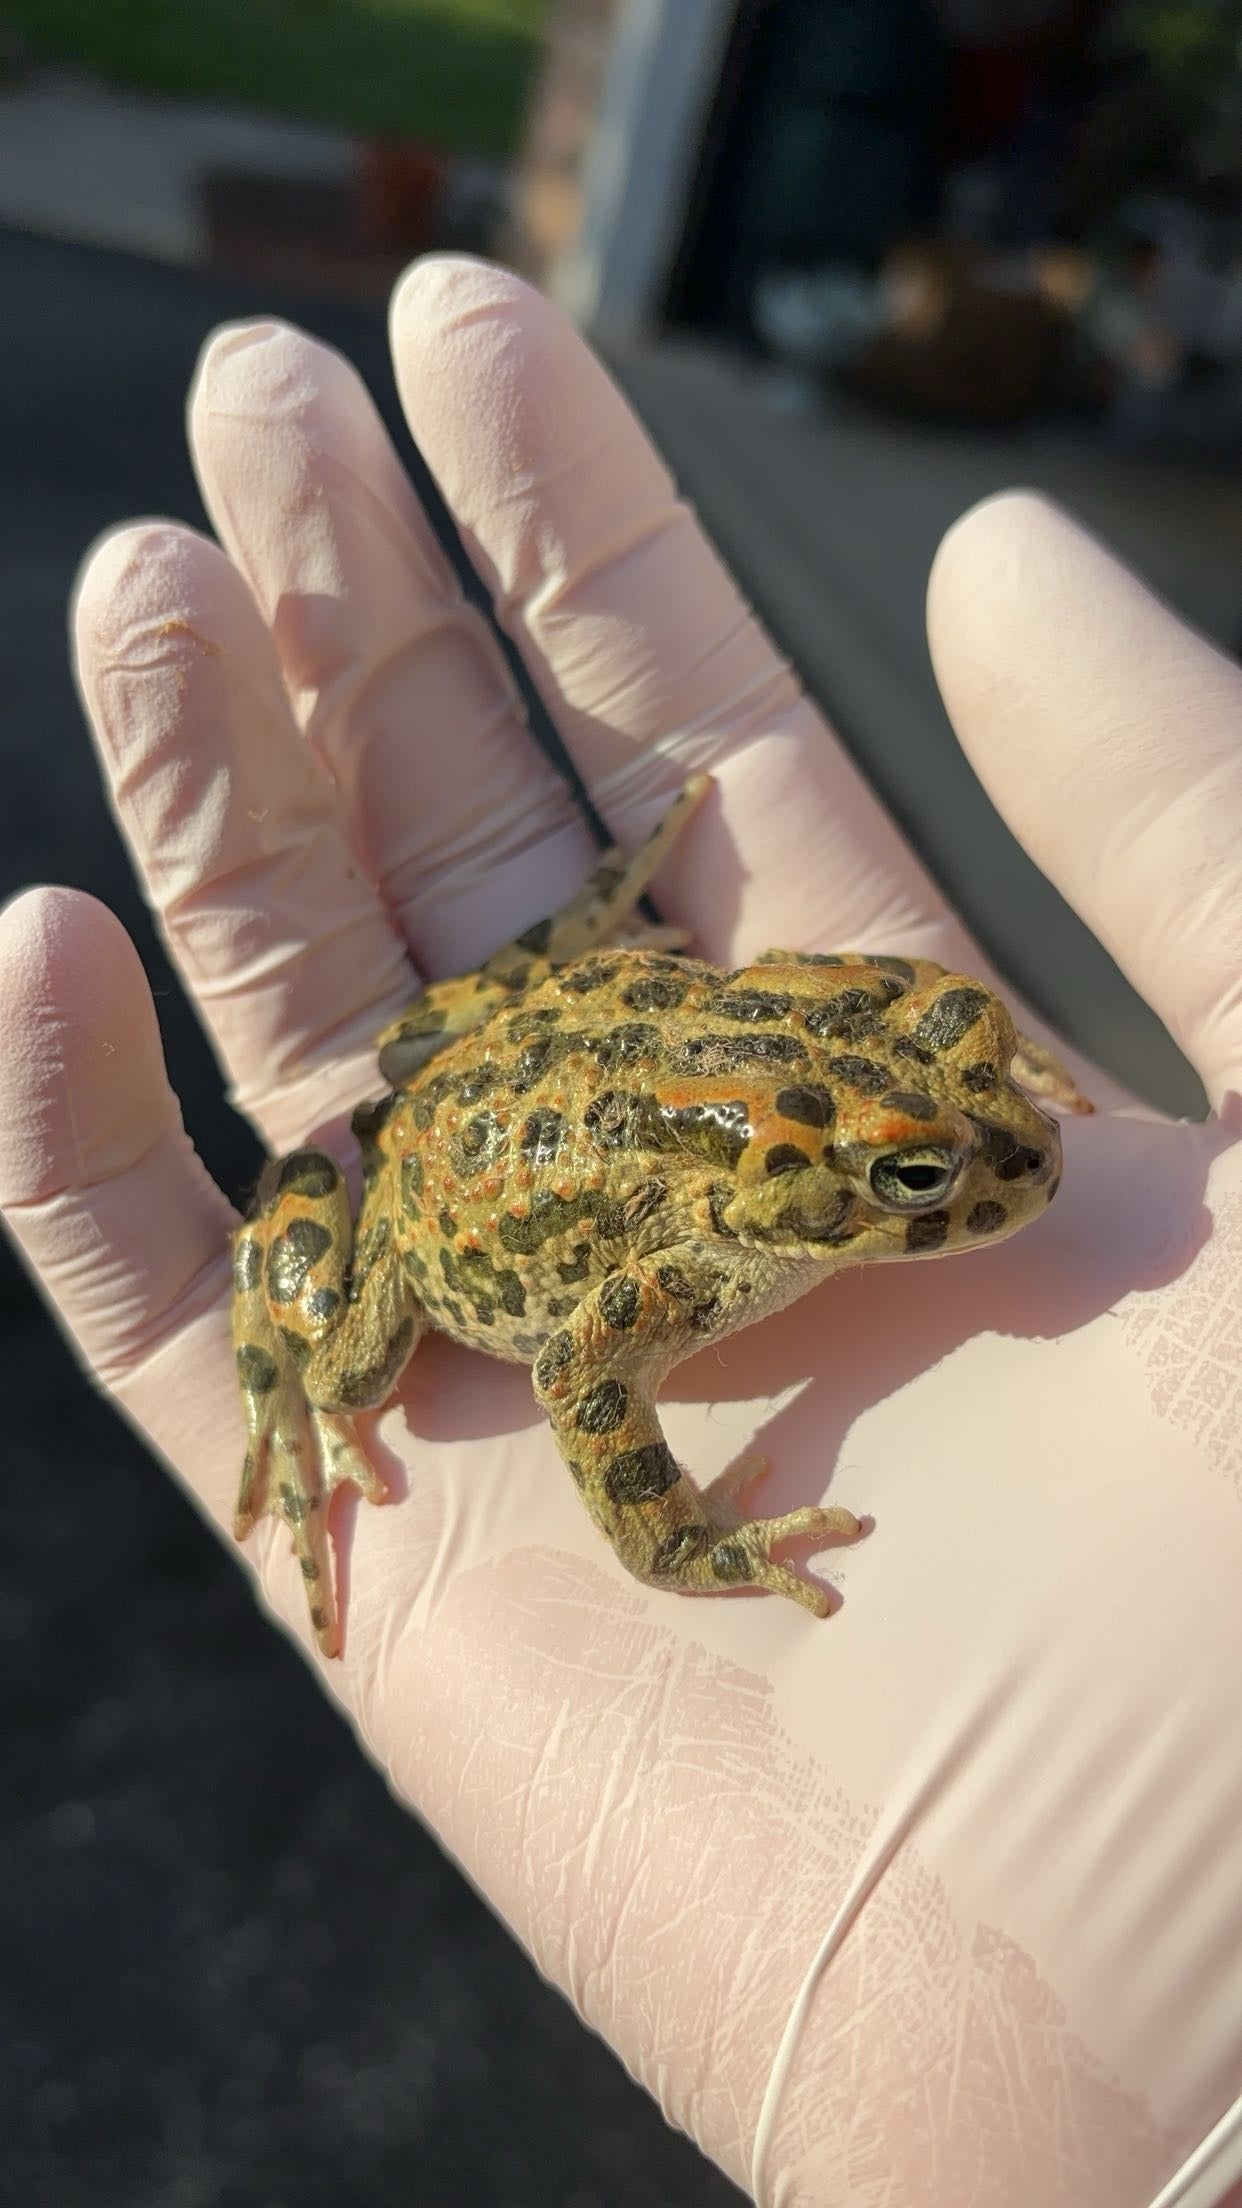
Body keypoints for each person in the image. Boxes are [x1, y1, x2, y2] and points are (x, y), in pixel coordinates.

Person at [2, 256, 1238, 2208]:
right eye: (931, 1178)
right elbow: (586, 1375)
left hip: (583, 1051)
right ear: (805, 1205)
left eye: (963, 1120)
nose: (999, 1174)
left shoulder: (828, 1077)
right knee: (340, 1342)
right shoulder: (697, 1251)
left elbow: (860, 1007)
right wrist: (690, 1540)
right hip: (437, 1200)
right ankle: (297, 1386)